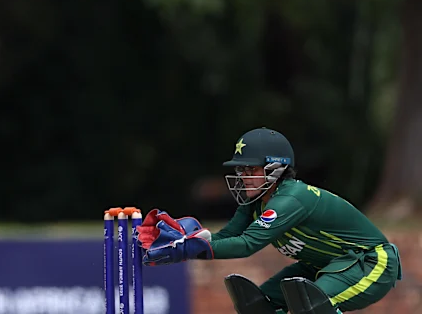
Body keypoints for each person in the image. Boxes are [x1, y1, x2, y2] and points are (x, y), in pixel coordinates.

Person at [137, 127, 402, 314]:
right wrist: (190, 242)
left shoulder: (292, 198)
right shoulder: (256, 201)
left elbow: (248, 244)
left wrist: (196, 249)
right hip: (323, 265)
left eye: (251, 169)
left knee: (311, 307)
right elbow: (229, 235)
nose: (243, 176)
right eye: (241, 169)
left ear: (276, 168)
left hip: (370, 262)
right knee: (256, 304)